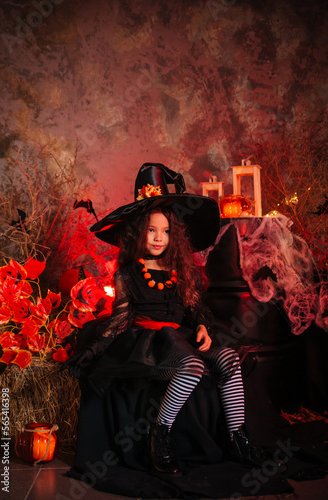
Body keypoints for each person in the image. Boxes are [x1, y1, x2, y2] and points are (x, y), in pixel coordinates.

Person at [64, 163, 267, 477]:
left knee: (228, 358)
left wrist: (200, 325)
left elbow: (194, 307)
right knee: (193, 366)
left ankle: (237, 438)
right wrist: (90, 352)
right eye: (151, 230)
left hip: (180, 338)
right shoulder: (127, 274)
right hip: (149, 345)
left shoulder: (180, 271)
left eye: (167, 231)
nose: (159, 238)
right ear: (138, 232)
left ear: (176, 234)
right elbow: (119, 320)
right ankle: (159, 435)